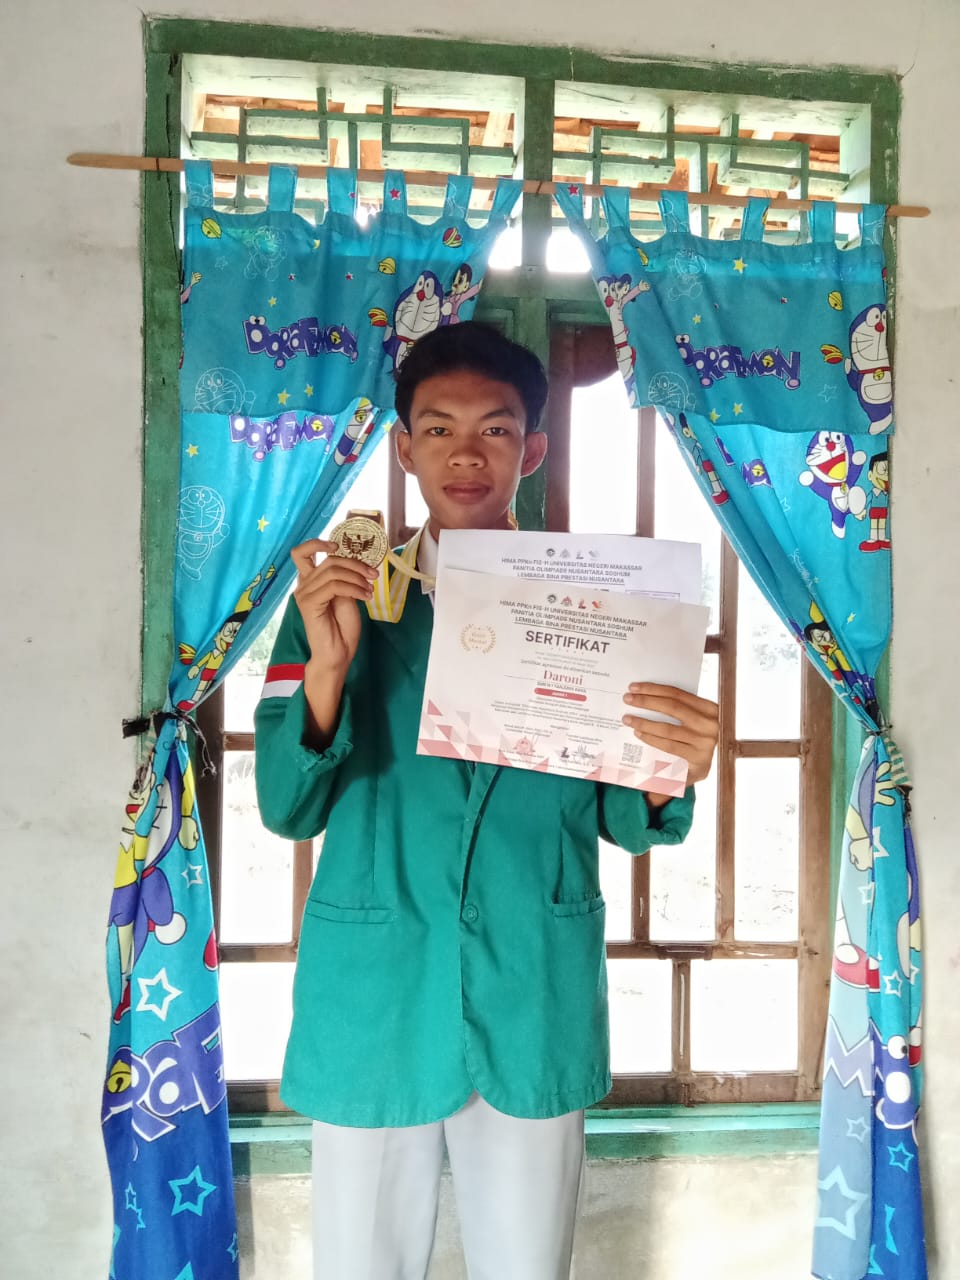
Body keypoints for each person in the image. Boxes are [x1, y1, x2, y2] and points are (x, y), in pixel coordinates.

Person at [254, 322, 719, 1280]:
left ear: (532, 450)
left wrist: (674, 761)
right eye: (439, 429)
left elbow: (624, 816)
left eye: (496, 430)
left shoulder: (603, 609)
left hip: (531, 983)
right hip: (376, 988)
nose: (466, 454)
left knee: (528, 1264)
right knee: (360, 1265)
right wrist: (330, 669)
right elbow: (287, 809)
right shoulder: (334, 602)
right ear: (403, 447)